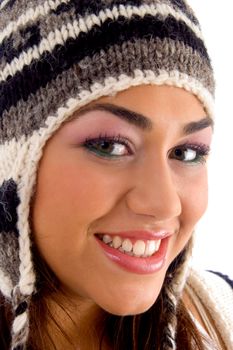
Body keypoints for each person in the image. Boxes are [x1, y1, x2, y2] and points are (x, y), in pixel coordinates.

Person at [0, 0, 232, 349]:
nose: (165, 204)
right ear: (11, 159)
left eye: (186, 153)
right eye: (109, 146)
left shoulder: (223, 313)